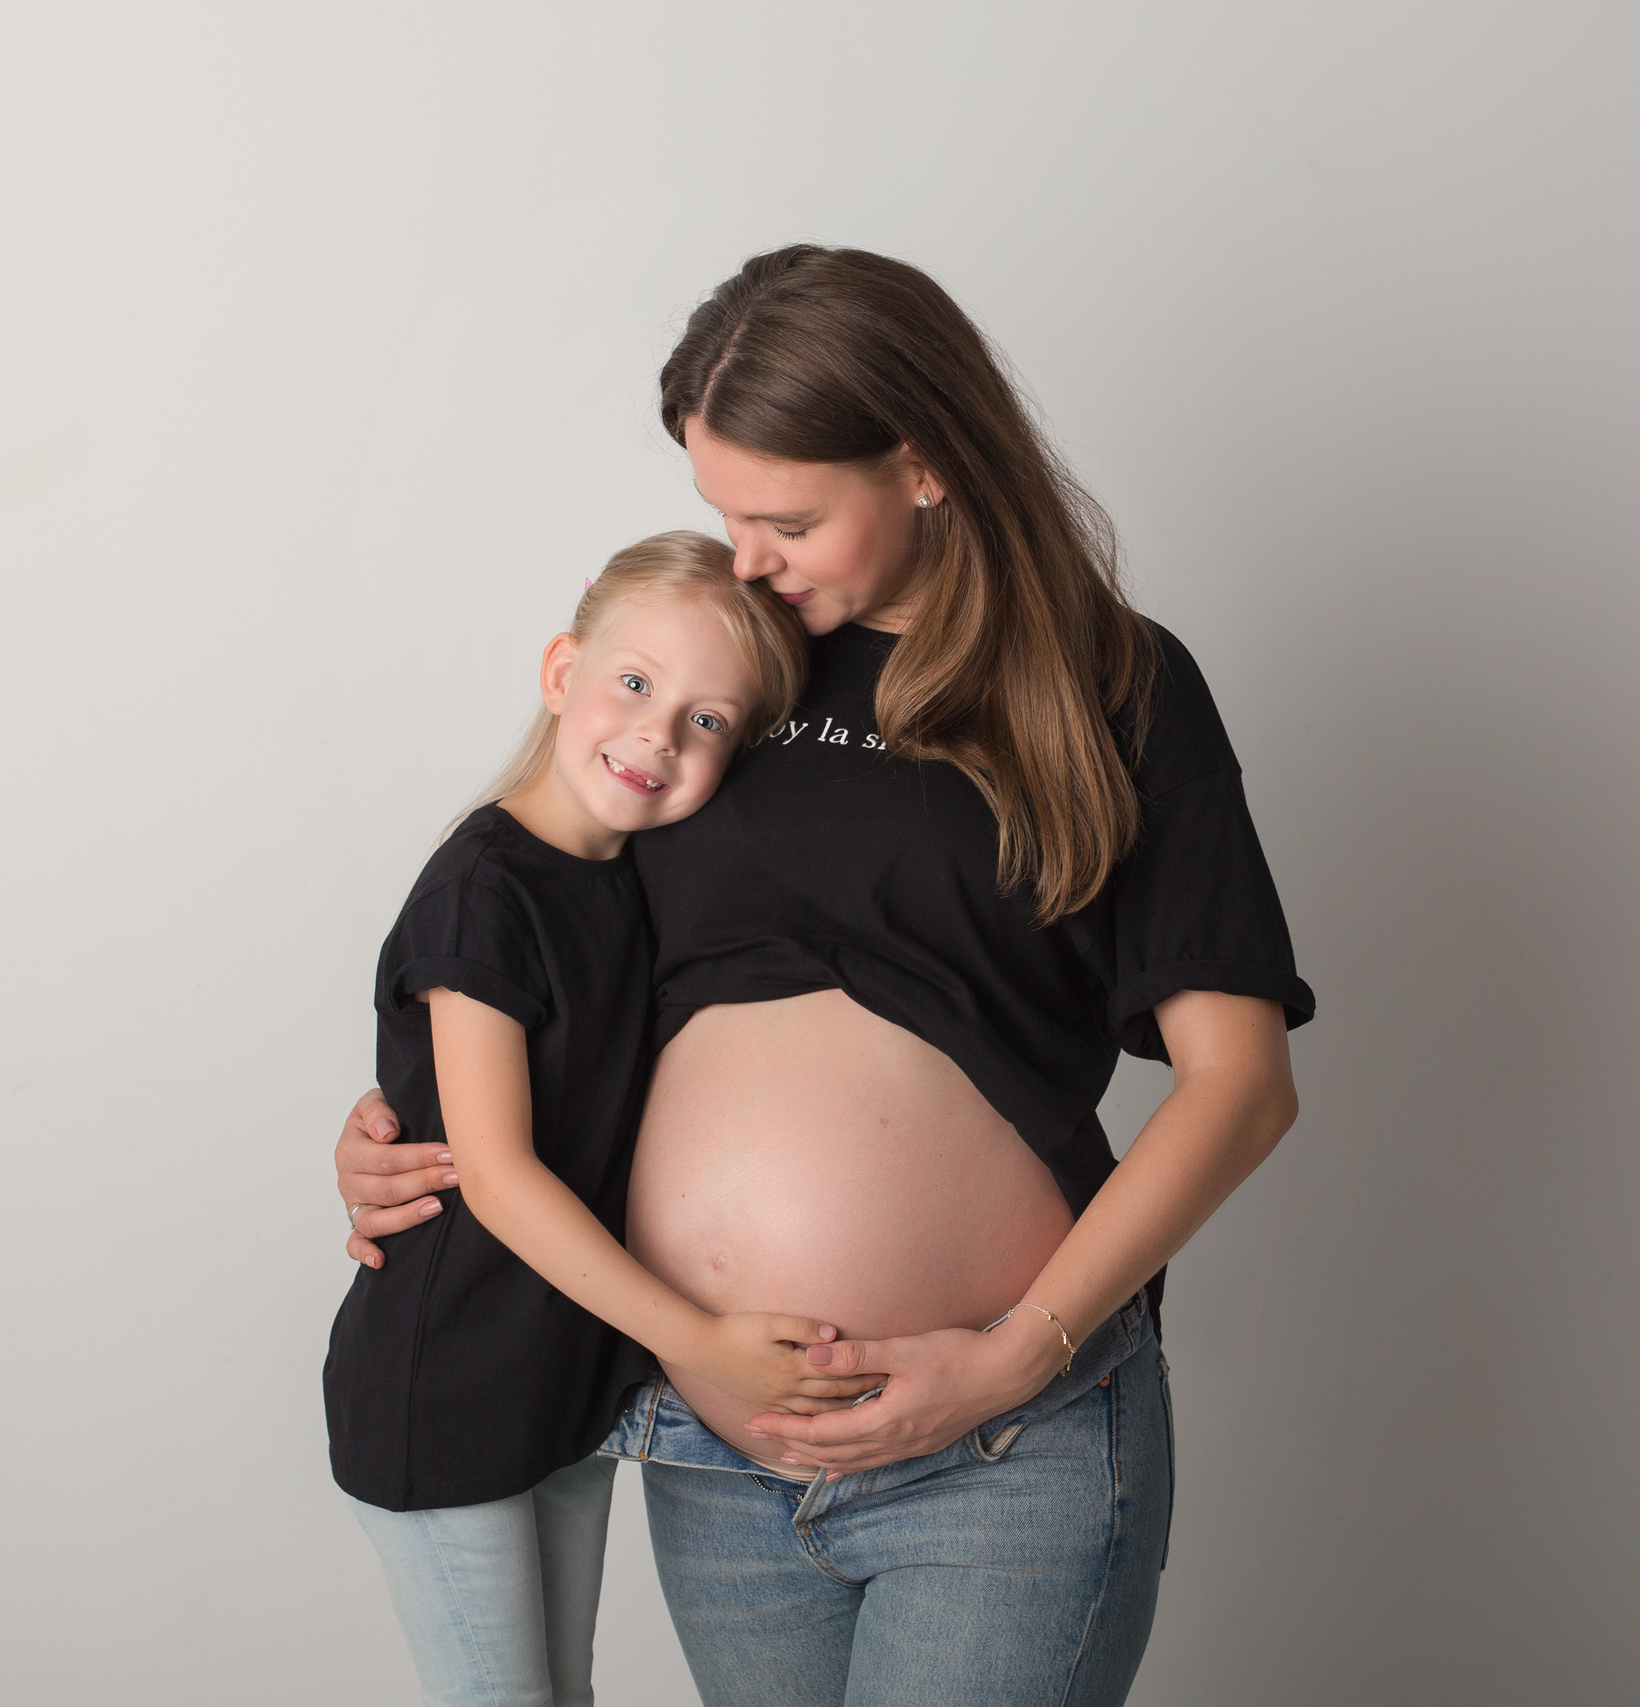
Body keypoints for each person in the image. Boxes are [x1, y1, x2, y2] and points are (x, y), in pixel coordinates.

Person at [338, 246, 1315, 1707]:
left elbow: (1242, 1086)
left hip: (1001, 1446)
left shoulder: (1115, 684)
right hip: (711, 1439)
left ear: (921, 463)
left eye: (785, 516)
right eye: (720, 512)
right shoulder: (725, 668)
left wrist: (1009, 1358)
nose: (746, 557)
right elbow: (531, 939)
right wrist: (401, 1128)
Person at [326, 531, 856, 1707]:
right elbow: (500, 1178)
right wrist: (698, 1340)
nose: (657, 736)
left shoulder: (641, 883)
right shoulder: (484, 895)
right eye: (634, 684)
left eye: (709, 721)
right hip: (449, 1377)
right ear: (563, 672)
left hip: (560, 1379)